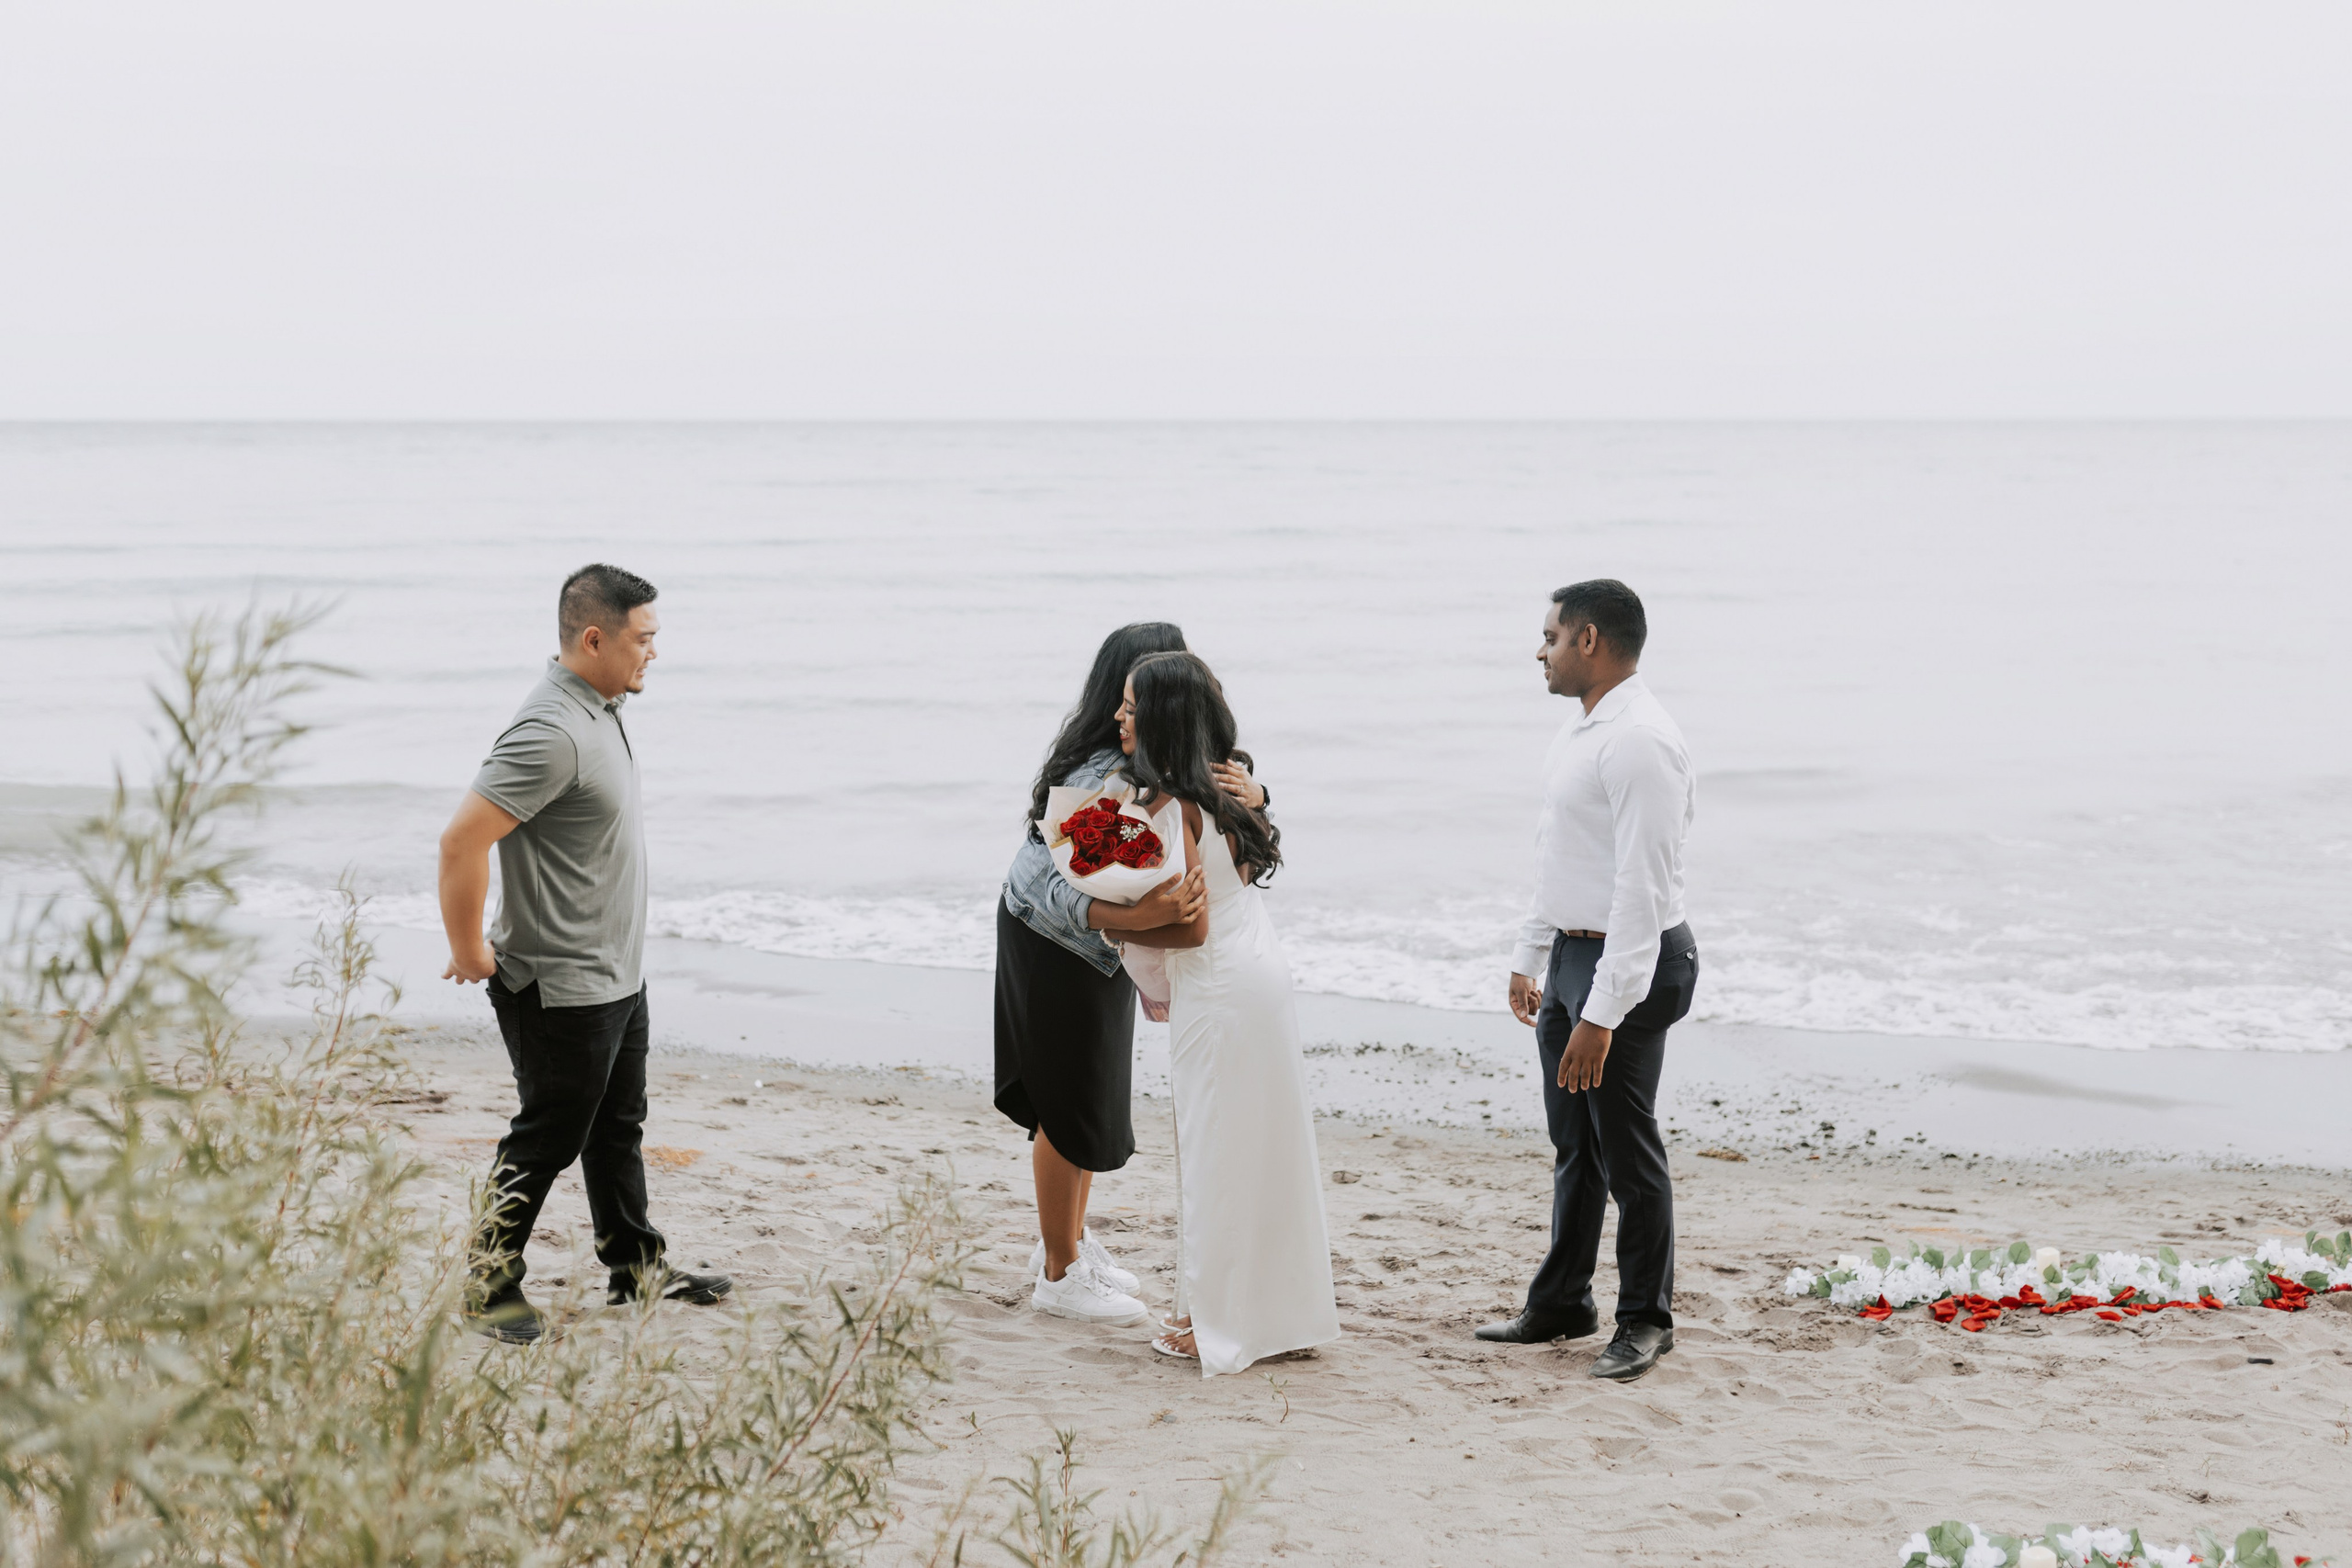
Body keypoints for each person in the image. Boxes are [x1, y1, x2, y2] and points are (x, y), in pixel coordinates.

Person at [438, 563, 732, 1344]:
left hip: (615, 974)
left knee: (616, 1127)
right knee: (547, 1137)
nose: (654, 654)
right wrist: (467, 947)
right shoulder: (550, 729)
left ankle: (634, 1265)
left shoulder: (599, 703)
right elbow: (462, 840)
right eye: (644, 639)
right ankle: (487, 1284)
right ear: (594, 638)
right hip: (560, 981)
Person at [996, 624, 1263, 1326]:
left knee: (1091, 1098)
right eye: (1129, 695)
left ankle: (1069, 1244)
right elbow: (1053, 889)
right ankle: (1058, 1271)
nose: (1128, 713)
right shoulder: (1096, 775)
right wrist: (1144, 918)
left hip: (1098, 948)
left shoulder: (1150, 762)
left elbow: (1202, 836)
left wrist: (1255, 792)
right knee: (1067, 1103)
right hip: (1054, 942)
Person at [1477, 579, 1698, 1383]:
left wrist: (1602, 1015)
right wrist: (1529, 955)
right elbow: (1559, 855)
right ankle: (1563, 1302)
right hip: (1575, 957)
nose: (1540, 650)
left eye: (1550, 636)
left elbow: (1642, 889)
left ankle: (1647, 1318)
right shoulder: (1583, 731)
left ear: (1591, 640)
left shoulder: (1640, 740)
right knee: (1575, 1144)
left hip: (1631, 967)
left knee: (1626, 1148)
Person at [1124, 649, 1340, 1376]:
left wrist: (1110, 923)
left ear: (1158, 718)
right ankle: (1287, 1314)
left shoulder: (1172, 806)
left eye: (1130, 706)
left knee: (1214, 1153)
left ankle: (1203, 1321)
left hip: (1216, 988)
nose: (1120, 716)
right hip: (1261, 976)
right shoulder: (1232, 789)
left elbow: (1189, 927)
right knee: (1271, 1149)